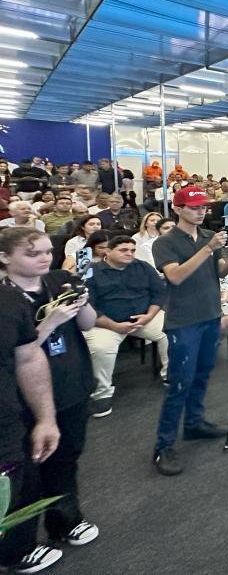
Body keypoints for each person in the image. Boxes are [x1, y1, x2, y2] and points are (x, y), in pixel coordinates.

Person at [0, 227, 101, 556]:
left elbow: (87, 324)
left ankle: (66, 521)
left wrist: (82, 304)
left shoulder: (59, 280)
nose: (44, 258)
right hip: (25, 399)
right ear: (5, 258)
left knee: (66, 459)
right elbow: (21, 352)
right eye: (32, 254)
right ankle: (21, 544)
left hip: (71, 385)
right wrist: (51, 322)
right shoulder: (7, 300)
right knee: (26, 472)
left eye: (46, 251)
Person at [150, 185, 228, 476]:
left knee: (203, 374)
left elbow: (219, 272)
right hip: (184, 320)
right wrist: (208, 249)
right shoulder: (165, 243)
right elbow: (176, 276)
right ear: (178, 209)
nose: (201, 211)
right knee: (179, 383)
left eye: (204, 207)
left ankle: (193, 423)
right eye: (195, 207)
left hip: (210, 314)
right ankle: (162, 446)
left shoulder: (208, 236)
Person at [0, 263, 63, 573]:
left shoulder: (9, 301)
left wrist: (45, 418)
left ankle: (16, 552)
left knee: (16, 488)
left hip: (6, 424)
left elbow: (28, 357)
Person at [84, 235, 168, 417]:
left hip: (144, 317)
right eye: (123, 250)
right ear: (107, 251)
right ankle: (102, 395)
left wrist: (148, 316)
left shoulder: (143, 267)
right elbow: (86, 306)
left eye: (132, 250)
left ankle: (171, 375)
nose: (130, 254)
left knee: (172, 330)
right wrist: (113, 325)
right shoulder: (90, 270)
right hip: (106, 322)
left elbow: (159, 294)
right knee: (100, 348)